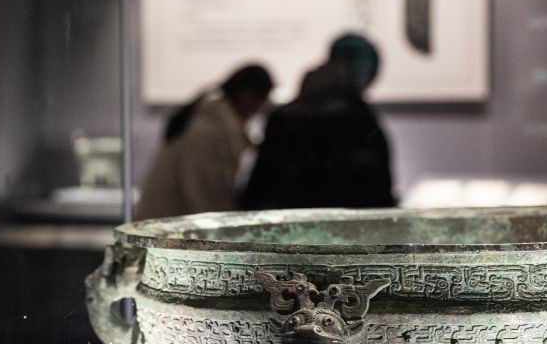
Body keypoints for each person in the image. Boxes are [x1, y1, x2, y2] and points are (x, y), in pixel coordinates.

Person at [241, 33, 396, 210]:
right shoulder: (359, 119)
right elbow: (377, 194)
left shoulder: (286, 116)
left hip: (291, 220)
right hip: (340, 221)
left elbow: (259, 188)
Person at [136, 64, 274, 219]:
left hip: (170, 221)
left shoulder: (211, 124)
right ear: (246, 95)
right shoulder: (209, 131)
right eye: (259, 103)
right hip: (167, 223)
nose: (257, 110)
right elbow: (204, 194)